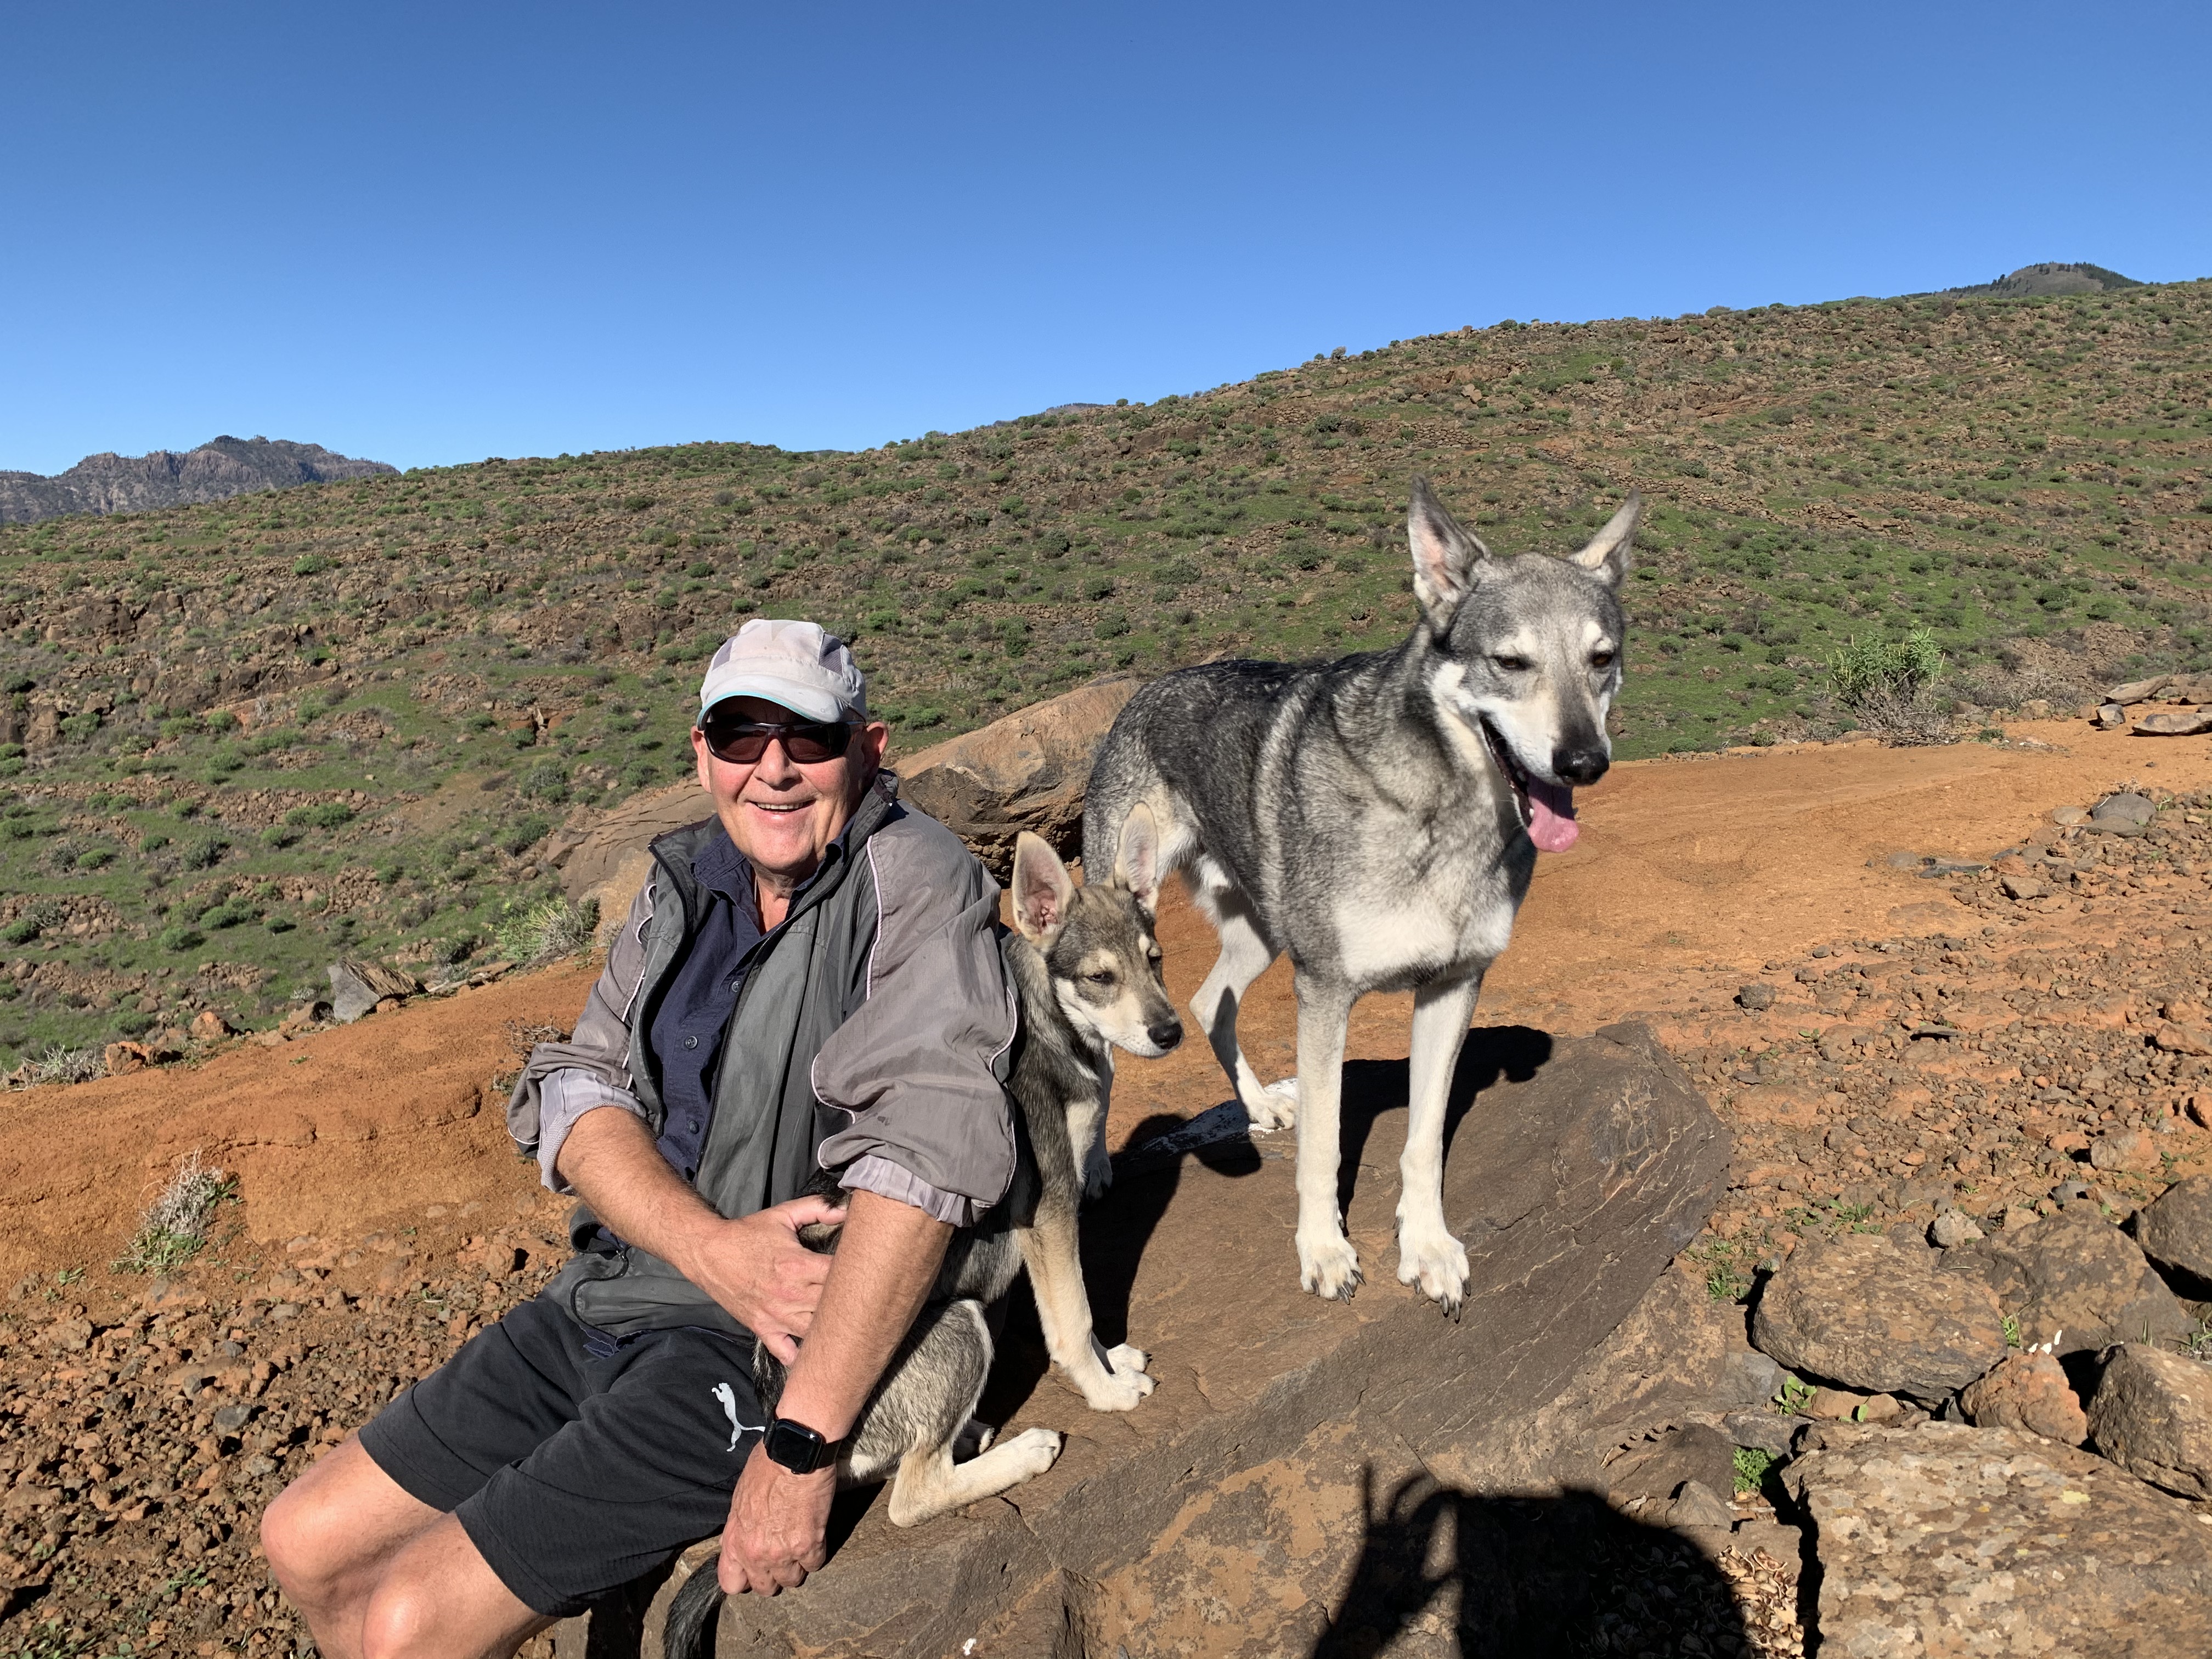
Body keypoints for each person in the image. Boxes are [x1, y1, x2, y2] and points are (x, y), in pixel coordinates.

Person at [262, 619, 1018, 1658]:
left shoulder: (913, 883)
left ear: (869, 749)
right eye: (744, 735)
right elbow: (578, 1092)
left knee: (406, 1624)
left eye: (810, 739)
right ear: (702, 752)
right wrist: (707, 1245)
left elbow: (926, 1158)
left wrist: (801, 1450)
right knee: (302, 1541)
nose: (776, 769)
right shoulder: (686, 881)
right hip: (616, 1293)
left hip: (750, 1352)